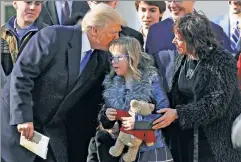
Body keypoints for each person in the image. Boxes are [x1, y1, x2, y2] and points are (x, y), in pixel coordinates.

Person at [1, 4, 124, 162]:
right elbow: (22, 76)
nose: (117, 39)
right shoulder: (53, 36)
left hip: (50, 129)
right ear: (94, 30)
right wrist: (23, 118)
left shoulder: (100, 58)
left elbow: (106, 92)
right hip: (17, 121)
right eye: (113, 33)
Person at [152, 13, 241, 162]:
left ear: (194, 39)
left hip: (213, 141)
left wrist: (178, 114)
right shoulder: (183, 56)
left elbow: (215, 104)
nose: (174, 41)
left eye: (179, 39)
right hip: (185, 137)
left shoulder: (223, 61)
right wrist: (155, 106)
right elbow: (176, 94)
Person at [99, 37, 173, 162]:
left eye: (118, 57)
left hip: (151, 151)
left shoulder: (151, 80)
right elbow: (108, 123)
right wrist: (107, 116)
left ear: (132, 58)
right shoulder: (111, 85)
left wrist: (139, 124)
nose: (113, 62)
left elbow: (164, 114)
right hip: (124, 150)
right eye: (111, 58)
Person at [145, 1, 233, 92]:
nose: (172, 5)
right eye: (169, 1)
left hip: (202, 101)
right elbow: (149, 71)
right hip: (164, 103)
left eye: (178, 0)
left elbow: (223, 74)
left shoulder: (214, 30)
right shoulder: (155, 31)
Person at [1, 1, 46, 77]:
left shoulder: (48, 35)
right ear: (15, 3)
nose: (33, 7)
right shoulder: (2, 33)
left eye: (37, 4)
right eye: (28, 2)